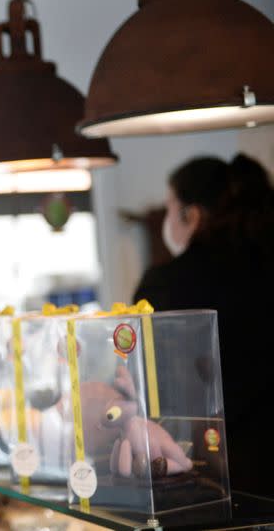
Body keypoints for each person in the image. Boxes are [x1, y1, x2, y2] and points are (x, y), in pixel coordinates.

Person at [133, 153, 274, 497]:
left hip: (205, 475)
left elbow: (140, 381)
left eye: (169, 207)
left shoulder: (166, 283)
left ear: (190, 214)